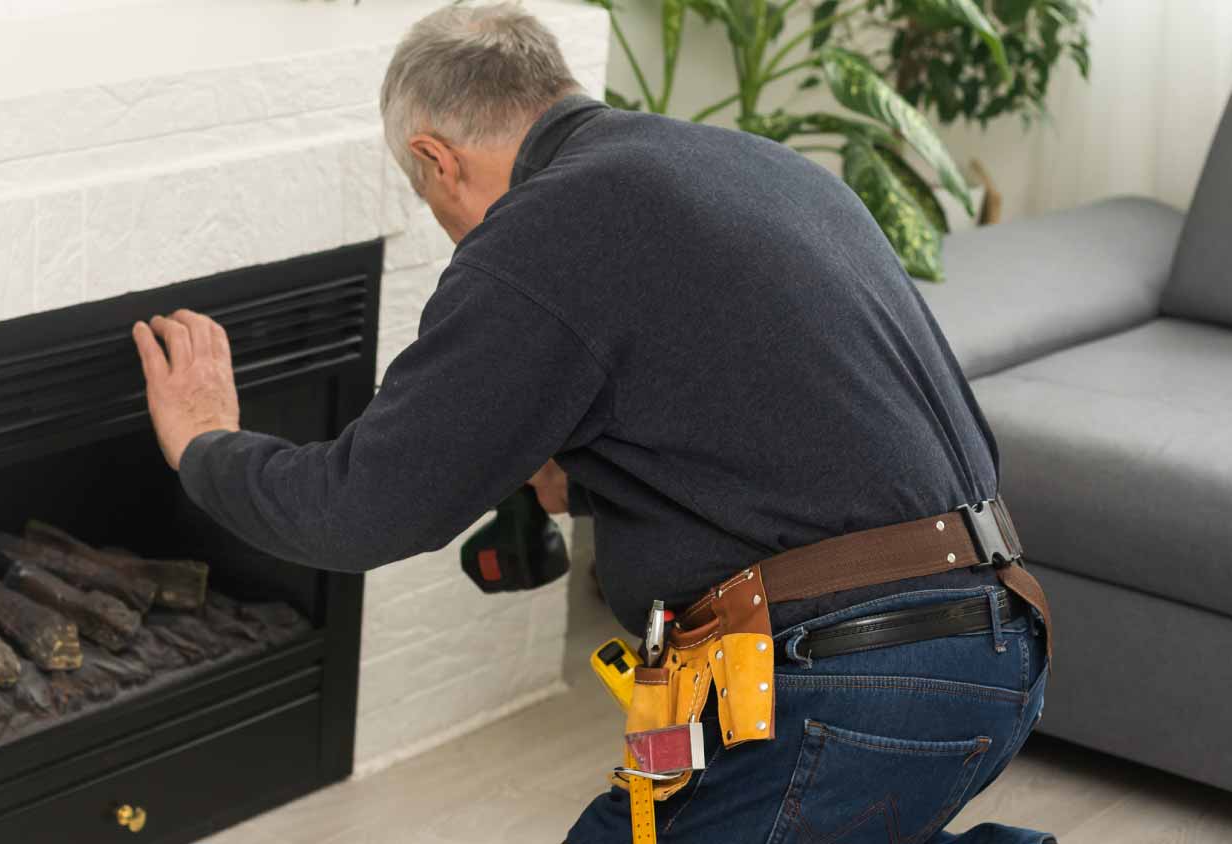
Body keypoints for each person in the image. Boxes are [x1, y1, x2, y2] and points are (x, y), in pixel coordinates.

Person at [130, 5, 1051, 843]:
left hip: (852, 683)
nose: (454, 230)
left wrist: (208, 441)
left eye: (433, 204)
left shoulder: (545, 228)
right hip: (996, 644)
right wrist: (597, 474)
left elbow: (361, 511)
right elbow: (788, 432)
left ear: (436, 159)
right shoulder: (748, 165)